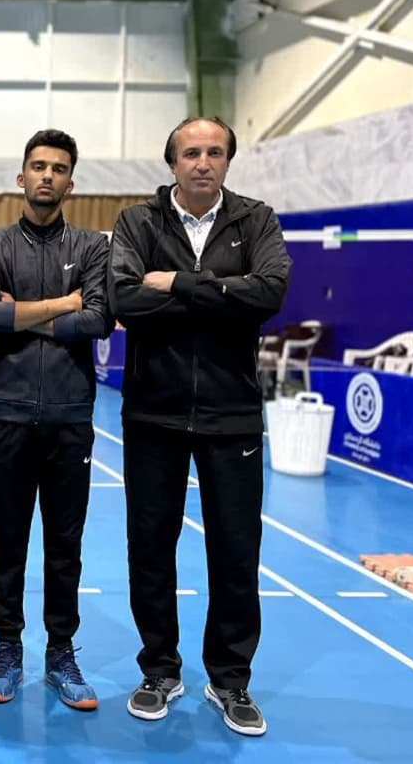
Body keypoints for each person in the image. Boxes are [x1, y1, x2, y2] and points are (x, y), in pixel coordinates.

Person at [109, 116, 291, 737]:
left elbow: (269, 294)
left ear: (228, 161)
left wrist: (179, 284)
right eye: (191, 153)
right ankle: (159, 669)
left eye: (215, 152)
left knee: (236, 552)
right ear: (173, 162)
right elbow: (125, 299)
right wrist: (220, 296)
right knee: (150, 548)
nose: (203, 162)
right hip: (153, 413)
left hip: (231, 413)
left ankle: (230, 679)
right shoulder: (138, 222)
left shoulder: (256, 220)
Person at [0, 129, 113, 709]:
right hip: (7, 413)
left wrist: (23, 314)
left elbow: (99, 320)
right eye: (38, 166)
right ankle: (8, 647)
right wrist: (64, 305)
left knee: (64, 543)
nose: (47, 175)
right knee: (7, 541)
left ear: (71, 183)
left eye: (58, 168)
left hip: (70, 415)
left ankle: (60, 652)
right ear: (21, 177)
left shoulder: (94, 247)